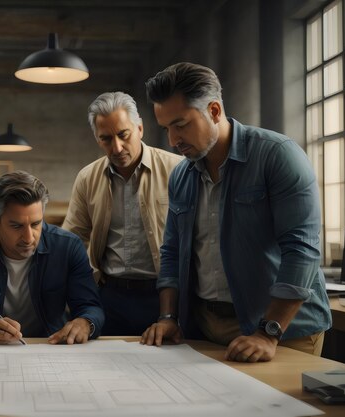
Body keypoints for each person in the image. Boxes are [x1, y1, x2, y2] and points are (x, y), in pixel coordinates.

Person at [141, 62, 331, 362]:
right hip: (206, 329)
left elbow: (302, 250)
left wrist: (268, 332)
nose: (172, 140)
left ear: (214, 111)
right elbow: (172, 252)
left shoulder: (278, 155)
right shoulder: (181, 176)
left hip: (283, 331)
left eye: (180, 124)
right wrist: (168, 316)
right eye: (166, 128)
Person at [0, 170, 104, 344]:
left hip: (50, 348)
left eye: (36, 224)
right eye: (16, 226)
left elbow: (90, 307)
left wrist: (85, 322)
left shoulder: (68, 247)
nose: (29, 238)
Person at [62, 92, 182, 336]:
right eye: (106, 139)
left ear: (139, 128)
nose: (116, 147)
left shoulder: (177, 170)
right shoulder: (87, 178)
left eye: (123, 135)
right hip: (110, 296)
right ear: (97, 139)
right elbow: (71, 242)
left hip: (166, 295)